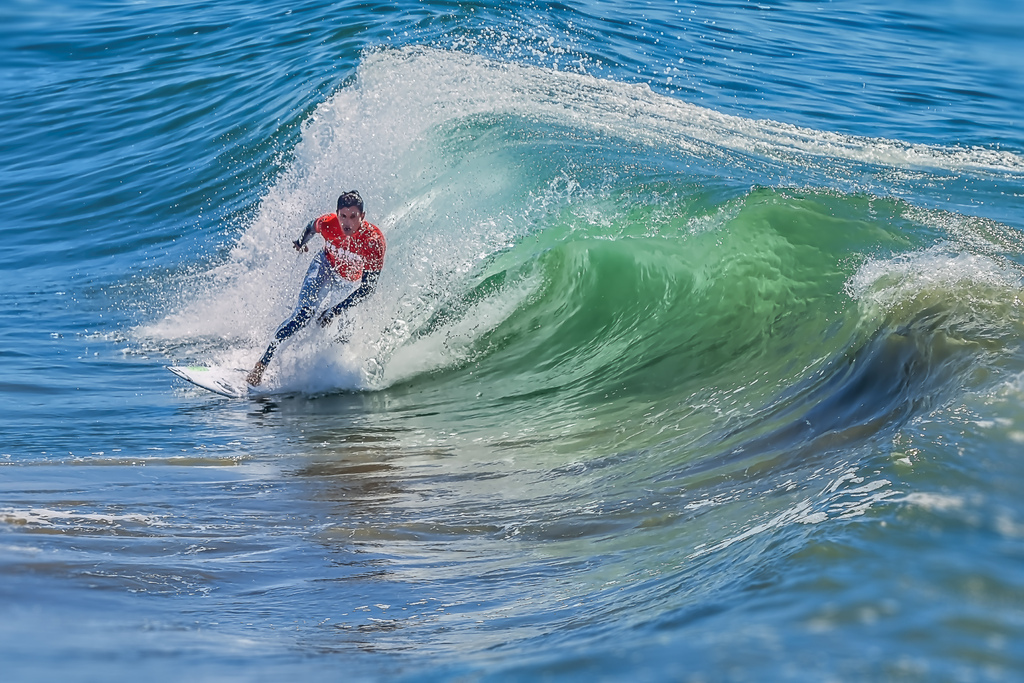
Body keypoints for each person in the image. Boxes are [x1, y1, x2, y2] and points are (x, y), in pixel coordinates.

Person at [246, 190, 385, 386]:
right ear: (337, 214)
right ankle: (261, 365)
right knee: (302, 316)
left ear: (362, 216)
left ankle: (330, 375)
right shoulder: (329, 223)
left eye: (353, 217)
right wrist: (301, 243)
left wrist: (335, 310)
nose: (347, 223)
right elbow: (311, 226)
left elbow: (368, 288)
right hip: (325, 267)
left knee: (342, 335)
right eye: (343, 216)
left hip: (349, 283)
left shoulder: (373, 241)